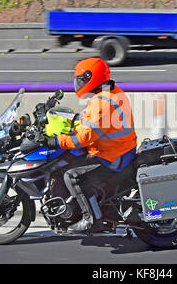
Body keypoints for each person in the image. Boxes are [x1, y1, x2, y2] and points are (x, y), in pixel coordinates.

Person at [42, 57, 137, 233]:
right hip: (118, 148)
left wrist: (54, 141)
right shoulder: (110, 92)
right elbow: (89, 120)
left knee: (72, 176)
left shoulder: (103, 102)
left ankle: (92, 220)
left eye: (80, 80)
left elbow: (82, 139)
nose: (77, 84)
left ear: (90, 78)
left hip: (113, 156)